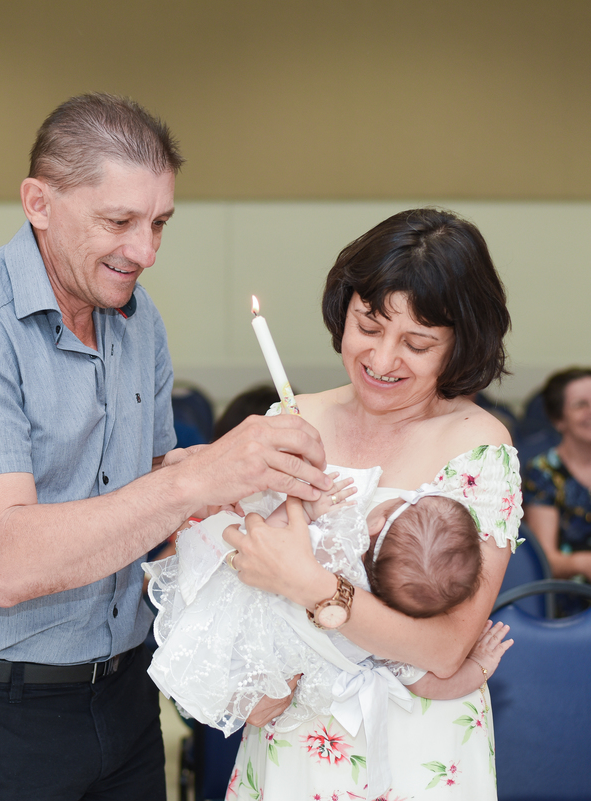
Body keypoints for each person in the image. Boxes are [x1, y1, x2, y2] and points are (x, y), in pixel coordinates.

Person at [0, 93, 333, 801]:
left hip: (123, 693)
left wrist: (247, 479)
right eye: (119, 221)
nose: (145, 251)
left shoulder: (135, 317)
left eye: (159, 223)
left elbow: (143, 483)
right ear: (38, 202)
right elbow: (6, 560)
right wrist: (196, 478)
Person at [218, 208, 522, 800]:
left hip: (415, 744)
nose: (382, 361)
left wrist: (310, 585)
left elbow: (442, 647)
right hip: (296, 732)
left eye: (417, 343)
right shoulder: (292, 420)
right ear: (344, 309)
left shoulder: (480, 448)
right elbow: (241, 578)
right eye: (368, 325)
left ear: (459, 345)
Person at [146, 468, 511, 740]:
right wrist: (478, 667)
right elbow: (429, 685)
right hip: (278, 669)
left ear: (377, 522)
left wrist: (307, 512)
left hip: (244, 618)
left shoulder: (332, 550)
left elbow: (264, 542)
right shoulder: (385, 629)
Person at [522, 367, 591, 583]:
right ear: (559, 420)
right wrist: (584, 563)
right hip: (571, 598)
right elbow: (545, 559)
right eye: (581, 405)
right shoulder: (543, 471)